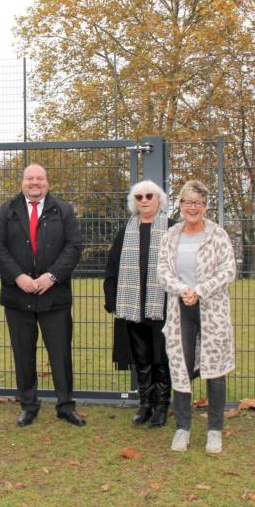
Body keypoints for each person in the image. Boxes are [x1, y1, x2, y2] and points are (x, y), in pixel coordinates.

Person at [0, 163, 84, 428]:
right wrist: (18, 277)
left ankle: (66, 406)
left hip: (55, 297)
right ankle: (29, 405)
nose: (34, 183)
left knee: (61, 355)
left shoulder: (63, 210)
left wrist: (51, 276)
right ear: (22, 182)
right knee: (23, 354)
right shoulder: (7, 211)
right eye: (30, 178)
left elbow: (74, 246)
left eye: (39, 178)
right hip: (18, 297)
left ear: (47, 182)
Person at [157, 180, 236, 454]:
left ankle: (214, 429)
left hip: (212, 308)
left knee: (216, 368)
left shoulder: (218, 235)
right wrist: (183, 290)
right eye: (188, 202)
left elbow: (228, 271)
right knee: (181, 366)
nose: (193, 207)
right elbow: (163, 272)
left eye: (198, 203)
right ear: (180, 205)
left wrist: (201, 290)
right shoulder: (171, 236)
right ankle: (183, 427)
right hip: (180, 309)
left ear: (205, 206)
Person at [104, 180, 174, 428]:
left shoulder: (172, 229)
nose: (144, 201)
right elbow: (112, 266)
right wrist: (111, 298)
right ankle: (145, 404)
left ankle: (162, 407)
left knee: (161, 358)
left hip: (163, 305)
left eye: (149, 196)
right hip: (133, 305)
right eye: (139, 197)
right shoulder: (126, 231)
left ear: (159, 200)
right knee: (141, 358)